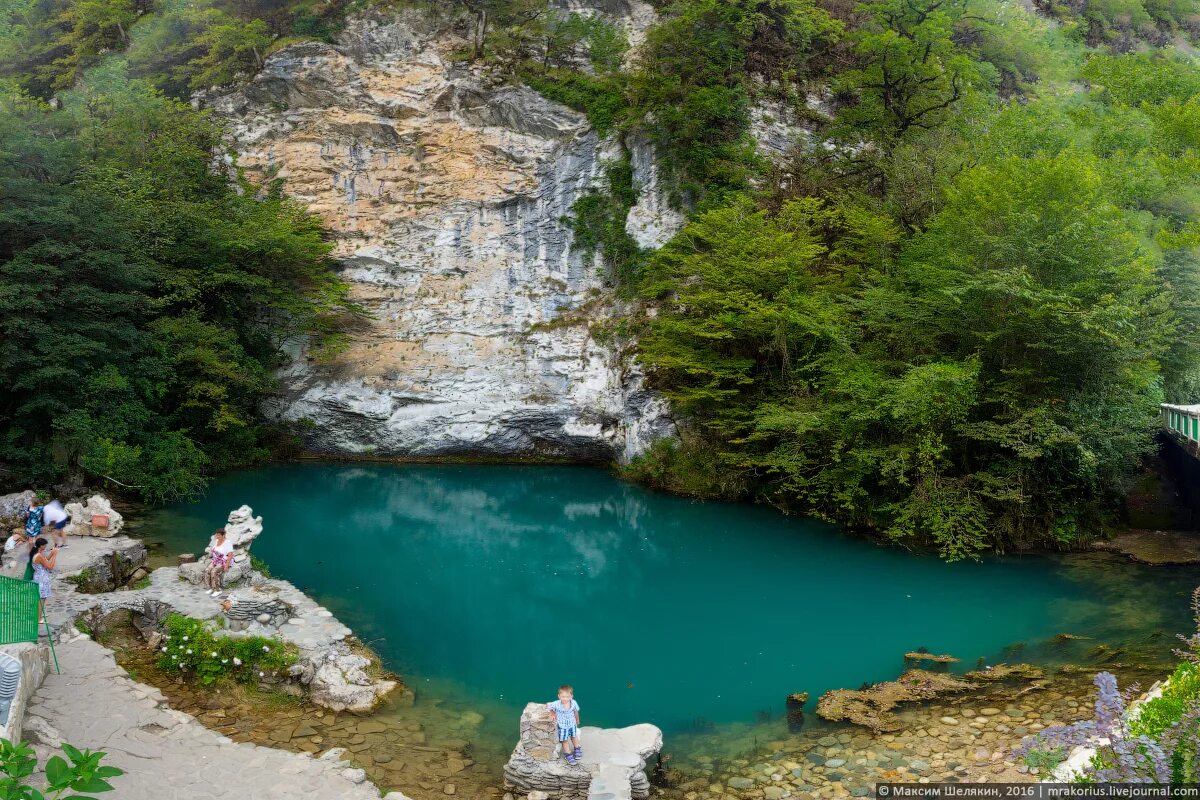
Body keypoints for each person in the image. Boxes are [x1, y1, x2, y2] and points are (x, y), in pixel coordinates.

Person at [546, 684, 582, 765]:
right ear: (559, 696)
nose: (565, 699)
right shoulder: (556, 704)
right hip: (562, 726)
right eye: (563, 696)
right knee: (564, 740)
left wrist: (577, 720)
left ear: (571, 696)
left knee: (574, 736)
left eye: (567, 697)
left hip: (572, 723)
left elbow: (576, 712)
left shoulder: (573, 703)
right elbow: (548, 705)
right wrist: (552, 713)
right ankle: (568, 753)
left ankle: (577, 748)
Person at [29, 538, 57, 624]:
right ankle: (39, 619)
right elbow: (50, 566)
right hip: (42, 578)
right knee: (42, 598)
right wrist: (55, 555)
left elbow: (45, 561)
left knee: (42, 597)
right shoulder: (39, 555)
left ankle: (40, 615)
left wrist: (51, 554)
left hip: (39, 576)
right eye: (45, 545)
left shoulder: (38, 553)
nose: (46, 546)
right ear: (41, 546)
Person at [203, 527, 234, 598]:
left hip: (224, 561)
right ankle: (211, 588)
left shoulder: (228, 542)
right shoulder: (217, 541)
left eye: (219, 535)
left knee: (214, 571)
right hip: (216, 560)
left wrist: (226, 566)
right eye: (216, 535)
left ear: (223, 535)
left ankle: (217, 590)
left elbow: (230, 555)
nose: (217, 536)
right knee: (207, 570)